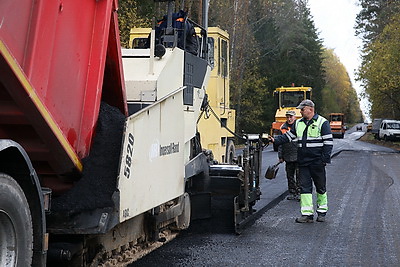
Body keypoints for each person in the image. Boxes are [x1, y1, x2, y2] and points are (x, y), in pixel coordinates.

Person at [270, 100, 333, 223]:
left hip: (317, 162)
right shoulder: (298, 123)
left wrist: (324, 160)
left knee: (320, 187)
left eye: (302, 109)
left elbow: (328, 143)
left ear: (310, 109)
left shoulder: (322, 122)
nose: (300, 111)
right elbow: (288, 136)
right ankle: (307, 214)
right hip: (303, 162)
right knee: (305, 188)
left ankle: (321, 213)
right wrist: (275, 140)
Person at [278, 110, 300, 201]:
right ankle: (292, 192)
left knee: (300, 175)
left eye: (291, 117)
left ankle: (299, 193)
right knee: (290, 176)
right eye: (287, 117)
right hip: (288, 156)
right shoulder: (283, 128)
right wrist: (280, 156)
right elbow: (280, 143)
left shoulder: (299, 127)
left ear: (295, 117)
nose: (289, 119)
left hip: (298, 155)